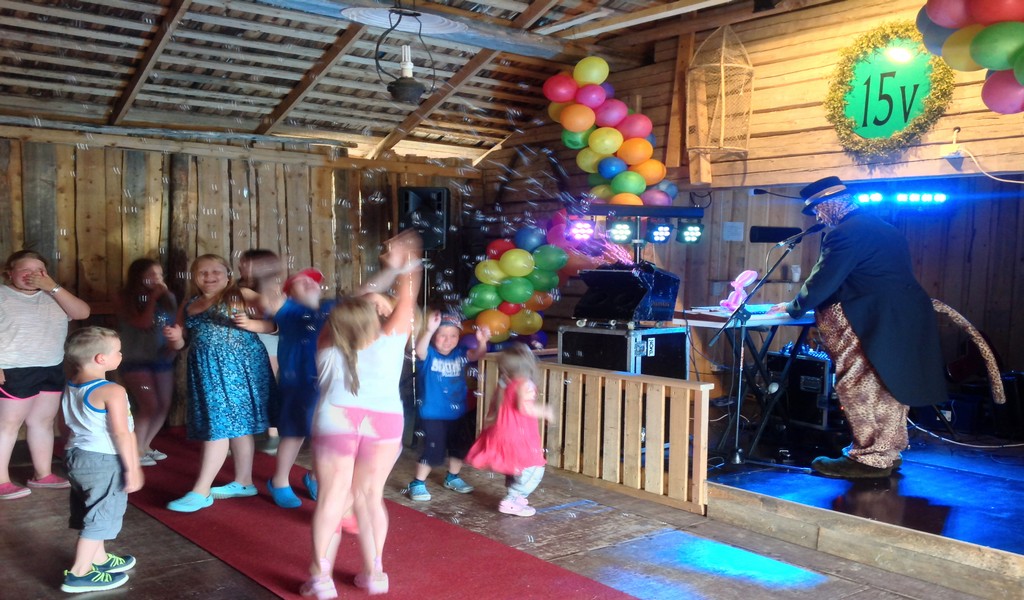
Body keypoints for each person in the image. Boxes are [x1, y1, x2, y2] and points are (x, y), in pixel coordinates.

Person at [770, 176, 946, 479]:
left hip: (868, 320)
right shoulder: (884, 228)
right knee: (886, 385)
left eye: (817, 209)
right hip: (898, 318)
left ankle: (868, 459)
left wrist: (792, 306)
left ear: (829, 204)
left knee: (859, 384)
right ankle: (886, 452)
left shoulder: (846, 233)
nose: (818, 217)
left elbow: (824, 279)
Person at [303, 231, 422, 599]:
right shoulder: (393, 339)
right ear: (377, 318)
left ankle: (321, 579)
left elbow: (348, 306)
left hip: (335, 421)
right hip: (384, 423)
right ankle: (375, 574)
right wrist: (406, 261)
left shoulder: (327, 341)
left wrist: (370, 293)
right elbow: (409, 294)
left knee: (332, 498)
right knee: (370, 496)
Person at [163, 254, 276, 512]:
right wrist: (175, 337)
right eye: (203, 272)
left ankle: (201, 491)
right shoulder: (189, 303)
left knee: (219, 425)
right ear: (194, 277)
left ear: (228, 275)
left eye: (216, 271)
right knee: (235, 426)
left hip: (240, 368)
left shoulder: (240, 294)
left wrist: (252, 321)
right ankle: (244, 482)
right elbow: (181, 344)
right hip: (206, 370)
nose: (210, 277)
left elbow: (275, 322)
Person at [0, 250, 90, 501]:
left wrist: (53, 287)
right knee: (8, 425)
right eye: (25, 270)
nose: (32, 275)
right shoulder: (2, 294)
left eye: (39, 271)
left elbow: (82, 312)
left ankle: (43, 474)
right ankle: (1, 481)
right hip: (13, 368)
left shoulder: (55, 296)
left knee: (43, 422)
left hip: (50, 366)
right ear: (10, 273)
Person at [60, 327, 143, 593]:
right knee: (101, 517)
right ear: (101, 358)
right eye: (118, 351)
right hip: (104, 460)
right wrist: (133, 468)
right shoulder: (112, 390)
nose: (121, 355)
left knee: (91, 508)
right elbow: (122, 433)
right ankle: (79, 573)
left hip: (77, 456)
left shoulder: (72, 382)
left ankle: (99, 559)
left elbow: (64, 423)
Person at [265, 268, 335, 508]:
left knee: (324, 433)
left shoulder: (328, 309)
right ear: (288, 292)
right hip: (296, 384)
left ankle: (314, 477)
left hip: (327, 382)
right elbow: (268, 299)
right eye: (301, 282)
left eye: (314, 281)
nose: (310, 284)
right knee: (294, 433)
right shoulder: (288, 310)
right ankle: (279, 481)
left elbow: (363, 296)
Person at [407, 311, 489, 501]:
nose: (448, 340)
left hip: (458, 412)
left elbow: (478, 354)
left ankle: (452, 477)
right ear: (434, 337)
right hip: (432, 413)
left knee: (458, 447)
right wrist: (428, 330)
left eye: (453, 335)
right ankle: (417, 483)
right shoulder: (429, 354)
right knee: (433, 449)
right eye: (442, 335)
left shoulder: (460, 353)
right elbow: (420, 351)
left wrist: (483, 342)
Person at [465, 343, 554, 517]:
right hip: (519, 434)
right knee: (535, 468)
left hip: (504, 431)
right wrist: (545, 411)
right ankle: (512, 499)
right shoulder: (525, 384)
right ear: (529, 364)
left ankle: (514, 496)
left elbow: (496, 407)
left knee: (516, 465)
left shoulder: (504, 382)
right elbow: (524, 408)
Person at [116, 258, 178, 467]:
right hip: (136, 359)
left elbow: (173, 323)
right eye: (151, 274)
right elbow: (142, 323)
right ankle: (135, 450)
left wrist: (173, 346)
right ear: (138, 276)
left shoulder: (168, 297)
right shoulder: (126, 297)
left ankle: (146, 445)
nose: (157, 279)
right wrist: (153, 299)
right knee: (149, 405)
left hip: (161, 357)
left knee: (164, 404)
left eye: (159, 274)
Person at [238, 249, 285, 456]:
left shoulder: (274, 288)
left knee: (267, 386)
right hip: (241, 343)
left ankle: (273, 434)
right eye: (241, 263)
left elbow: (276, 314)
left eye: (247, 264)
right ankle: (240, 435)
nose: (241, 267)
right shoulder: (236, 287)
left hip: (268, 341)